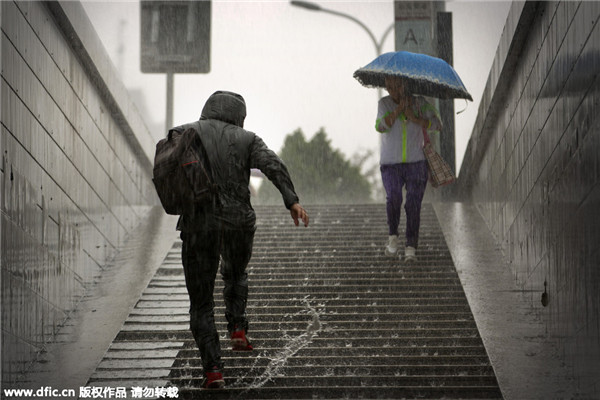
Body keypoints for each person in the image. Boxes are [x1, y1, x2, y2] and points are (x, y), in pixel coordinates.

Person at [171, 91, 309, 389]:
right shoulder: (248, 139)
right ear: (239, 114)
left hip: (199, 225)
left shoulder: (185, 133)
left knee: (201, 302)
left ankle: (213, 370)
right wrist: (292, 201)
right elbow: (274, 165)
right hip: (238, 223)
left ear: (207, 109)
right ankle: (237, 327)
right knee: (235, 273)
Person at [375, 77, 442, 262]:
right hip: (390, 163)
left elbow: (438, 124)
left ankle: (411, 246)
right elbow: (380, 126)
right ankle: (393, 237)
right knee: (394, 197)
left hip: (417, 162)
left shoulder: (420, 102)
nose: (390, 90)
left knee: (413, 203)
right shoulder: (384, 103)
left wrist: (415, 118)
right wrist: (398, 110)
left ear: (404, 85)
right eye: (388, 86)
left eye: (395, 86)